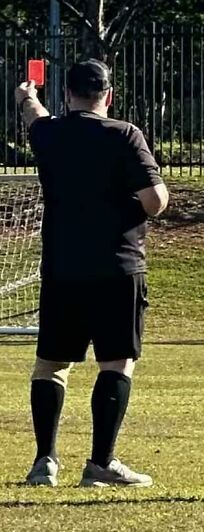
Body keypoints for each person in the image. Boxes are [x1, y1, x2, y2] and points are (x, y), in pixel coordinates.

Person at [15, 59, 169, 487]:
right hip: (118, 265)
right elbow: (155, 201)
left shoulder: (49, 134)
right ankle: (101, 463)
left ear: (67, 94)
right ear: (109, 96)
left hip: (63, 267)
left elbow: (34, 114)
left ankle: (44, 462)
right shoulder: (124, 135)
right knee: (116, 363)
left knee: (50, 365)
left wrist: (28, 95)